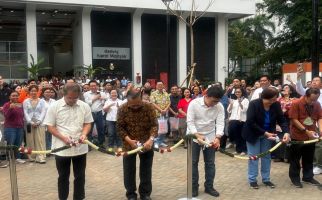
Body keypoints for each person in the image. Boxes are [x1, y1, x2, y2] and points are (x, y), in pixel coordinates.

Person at [43, 83, 93, 200]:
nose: (72, 100)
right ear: (63, 94)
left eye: (75, 98)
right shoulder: (54, 106)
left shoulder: (84, 106)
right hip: (62, 148)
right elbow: (50, 126)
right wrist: (63, 138)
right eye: (69, 98)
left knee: (80, 176)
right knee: (63, 176)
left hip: (80, 148)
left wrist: (84, 134)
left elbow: (87, 123)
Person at [242, 87, 290, 189]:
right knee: (254, 157)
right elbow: (250, 122)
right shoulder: (254, 104)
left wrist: (286, 132)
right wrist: (264, 133)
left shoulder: (276, 105)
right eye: (270, 100)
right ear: (264, 97)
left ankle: (266, 179)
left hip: (268, 135)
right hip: (253, 133)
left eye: (274, 99)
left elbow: (282, 120)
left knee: (266, 157)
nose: (272, 102)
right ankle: (252, 180)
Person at [117, 89, 157, 200]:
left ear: (141, 99)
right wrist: (129, 140)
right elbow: (119, 127)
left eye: (138, 104)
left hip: (146, 143)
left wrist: (151, 139)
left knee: (146, 169)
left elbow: (154, 125)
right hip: (128, 143)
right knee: (129, 169)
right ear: (127, 101)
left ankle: (145, 193)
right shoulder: (122, 108)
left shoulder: (148, 107)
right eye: (132, 105)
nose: (136, 107)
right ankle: (131, 194)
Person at [187, 86, 225, 198]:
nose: (215, 104)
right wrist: (196, 134)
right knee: (193, 162)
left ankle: (209, 186)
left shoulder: (219, 106)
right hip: (193, 135)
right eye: (213, 101)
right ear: (206, 95)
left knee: (210, 163)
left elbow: (220, 123)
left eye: (217, 101)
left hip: (210, 136)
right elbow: (190, 121)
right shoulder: (194, 104)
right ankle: (193, 188)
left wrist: (218, 137)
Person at [288, 88, 322, 188]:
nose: (313, 102)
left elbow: (320, 117)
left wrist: (320, 130)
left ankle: (308, 177)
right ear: (306, 96)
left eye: (316, 99)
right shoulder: (296, 103)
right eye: (311, 100)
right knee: (295, 158)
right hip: (297, 135)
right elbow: (294, 119)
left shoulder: (317, 104)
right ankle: (295, 178)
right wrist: (306, 131)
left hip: (311, 136)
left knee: (309, 158)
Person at [23, 85, 47, 163]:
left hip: (40, 123)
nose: (33, 92)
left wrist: (39, 121)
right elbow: (25, 112)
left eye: (35, 91)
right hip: (29, 124)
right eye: (32, 91)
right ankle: (31, 156)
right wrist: (30, 122)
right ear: (29, 92)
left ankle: (41, 157)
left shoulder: (42, 101)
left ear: (38, 91)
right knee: (30, 140)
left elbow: (43, 111)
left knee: (40, 140)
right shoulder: (25, 101)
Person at [2, 91, 25, 163]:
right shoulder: (6, 105)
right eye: (13, 96)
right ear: (9, 97)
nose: (15, 97)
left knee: (18, 144)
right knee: (10, 144)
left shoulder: (20, 105)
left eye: (16, 96)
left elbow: (22, 116)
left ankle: (17, 158)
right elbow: (6, 116)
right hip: (10, 128)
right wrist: (10, 108)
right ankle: (10, 159)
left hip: (20, 128)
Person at [83, 80, 107, 146]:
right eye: (91, 86)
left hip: (99, 113)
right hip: (90, 113)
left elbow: (105, 103)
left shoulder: (102, 93)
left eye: (94, 85)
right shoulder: (86, 94)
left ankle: (101, 143)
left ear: (97, 86)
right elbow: (87, 104)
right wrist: (95, 98)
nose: (93, 87)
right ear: (89, 87)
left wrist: (103, 100)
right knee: (89, 130)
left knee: (101, 129)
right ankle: (89, 144)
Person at [227, 88, 249, 155]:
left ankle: (244, 150)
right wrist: (231, 104)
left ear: (242, 92)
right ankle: (238, 150)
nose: (237, 93)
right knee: (236, 135)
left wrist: (240, 103)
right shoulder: (233, 101)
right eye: (236, 92)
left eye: (239, 92)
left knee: (242, 135)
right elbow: (228, 110)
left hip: (241, 120)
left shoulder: (246, 100)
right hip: (233, 120)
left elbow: (244, 110)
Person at [150, 81, 170, 147]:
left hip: (164, 115)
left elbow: (169, 103)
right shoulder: (153, 94)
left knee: (164, 129)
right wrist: (161, 110)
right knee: (157, 129)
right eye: (159, 85)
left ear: (163, 86)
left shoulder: (166, 94)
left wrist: (165, 110)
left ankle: (161, 141)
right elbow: (153, 103)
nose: (160, 86)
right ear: (156, 86)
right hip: (156, 115)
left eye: (161, 85)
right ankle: (156, 142)